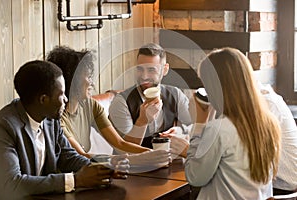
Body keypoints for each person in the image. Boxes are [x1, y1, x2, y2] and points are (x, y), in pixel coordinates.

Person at [0, 60, 129, 200]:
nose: (66, 99)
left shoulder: (50, 119)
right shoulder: (4, 126)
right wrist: (76, 180)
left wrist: (103, 169)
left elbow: (68, 157)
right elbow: (11, 184)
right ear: (43, 99)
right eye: (62, 94)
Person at [46, 46, 170, 167]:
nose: (92, 82)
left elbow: (119, 143)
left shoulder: (91, 105)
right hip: (70, 179)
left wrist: (151, 154)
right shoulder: (56, 117)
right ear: (72, 80)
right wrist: (136, 160)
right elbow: (82, 156)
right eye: (88, 77)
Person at [184, 47, 281, 199]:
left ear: (215, 88)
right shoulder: (269, 124)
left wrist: (199, 124)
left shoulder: (219, 130)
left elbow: (194, 177)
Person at [109, 43, 191, 149]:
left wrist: (179, 131)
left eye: (151, 70)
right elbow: (124, 149)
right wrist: (142, 121)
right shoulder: (121, 102)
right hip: (132, 164)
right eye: (140, 69)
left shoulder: (176, 95)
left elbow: (192, 126)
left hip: (168, 162)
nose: (144, 76)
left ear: (165, 70)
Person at [258, 83, 297, 195]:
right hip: (277, 183)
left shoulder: (267, 103)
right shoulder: (265, 98)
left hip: (284, 188)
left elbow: (264, 166)